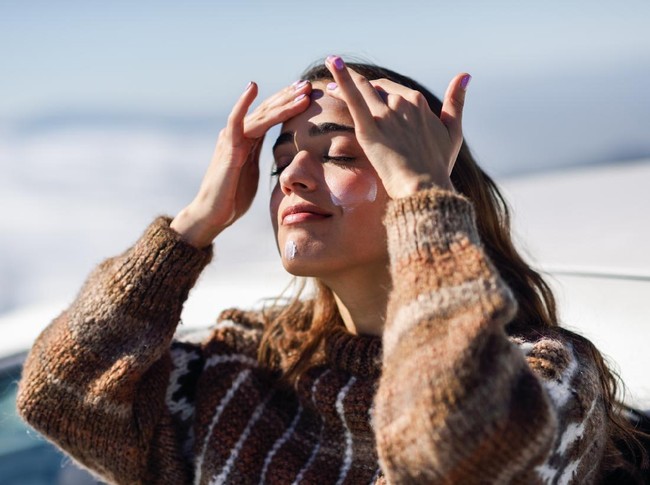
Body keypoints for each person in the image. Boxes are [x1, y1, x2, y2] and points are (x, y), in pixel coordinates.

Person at [17, 56, 649, 484]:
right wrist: (193, 225)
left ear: (424, 190)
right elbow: (58, 395)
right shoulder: (242, 369)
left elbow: (451, 454)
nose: (291, 175)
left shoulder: (544, 380)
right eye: (279, 160)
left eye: (342, 154)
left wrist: (424, 200)